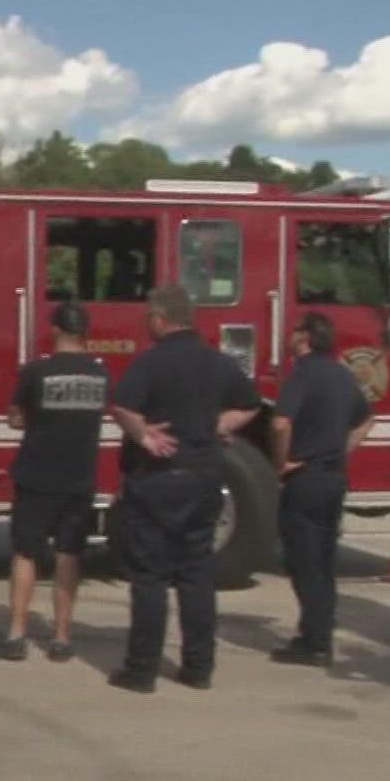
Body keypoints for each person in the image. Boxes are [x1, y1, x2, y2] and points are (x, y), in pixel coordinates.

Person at [107, 285, 264, 692]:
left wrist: (143, 435)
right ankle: (198, 667)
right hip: (204, 478)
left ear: (161, 320)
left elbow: (122, 406)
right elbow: (250, 403)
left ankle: (142, 670)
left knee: (151, 577)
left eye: (148, 318)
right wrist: (217, 426)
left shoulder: (150, 362)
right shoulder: (219, 363)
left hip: (157, 478)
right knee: (197, 575)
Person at [0, 302, 109, 662]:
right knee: (68, 555)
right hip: (79, 477)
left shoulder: (36, 372)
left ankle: (17, 634)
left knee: (25, 553)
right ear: (84, 332)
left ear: (55, 329)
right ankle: (61, 638)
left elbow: (15, 417)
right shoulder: (99, 376)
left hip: (37, 475)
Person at [268, 313, 374, 667]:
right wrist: (340, 450)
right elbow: (366, 419)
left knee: (304, 561)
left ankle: (313, 641)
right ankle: (321, 632)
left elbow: (281, 422)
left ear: (305, 339)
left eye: (295, 331)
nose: (289, 336)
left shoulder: (304, 374)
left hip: (307, 479)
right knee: (325, 561)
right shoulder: (343, 375)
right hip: (334, 479)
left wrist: (282, 462)